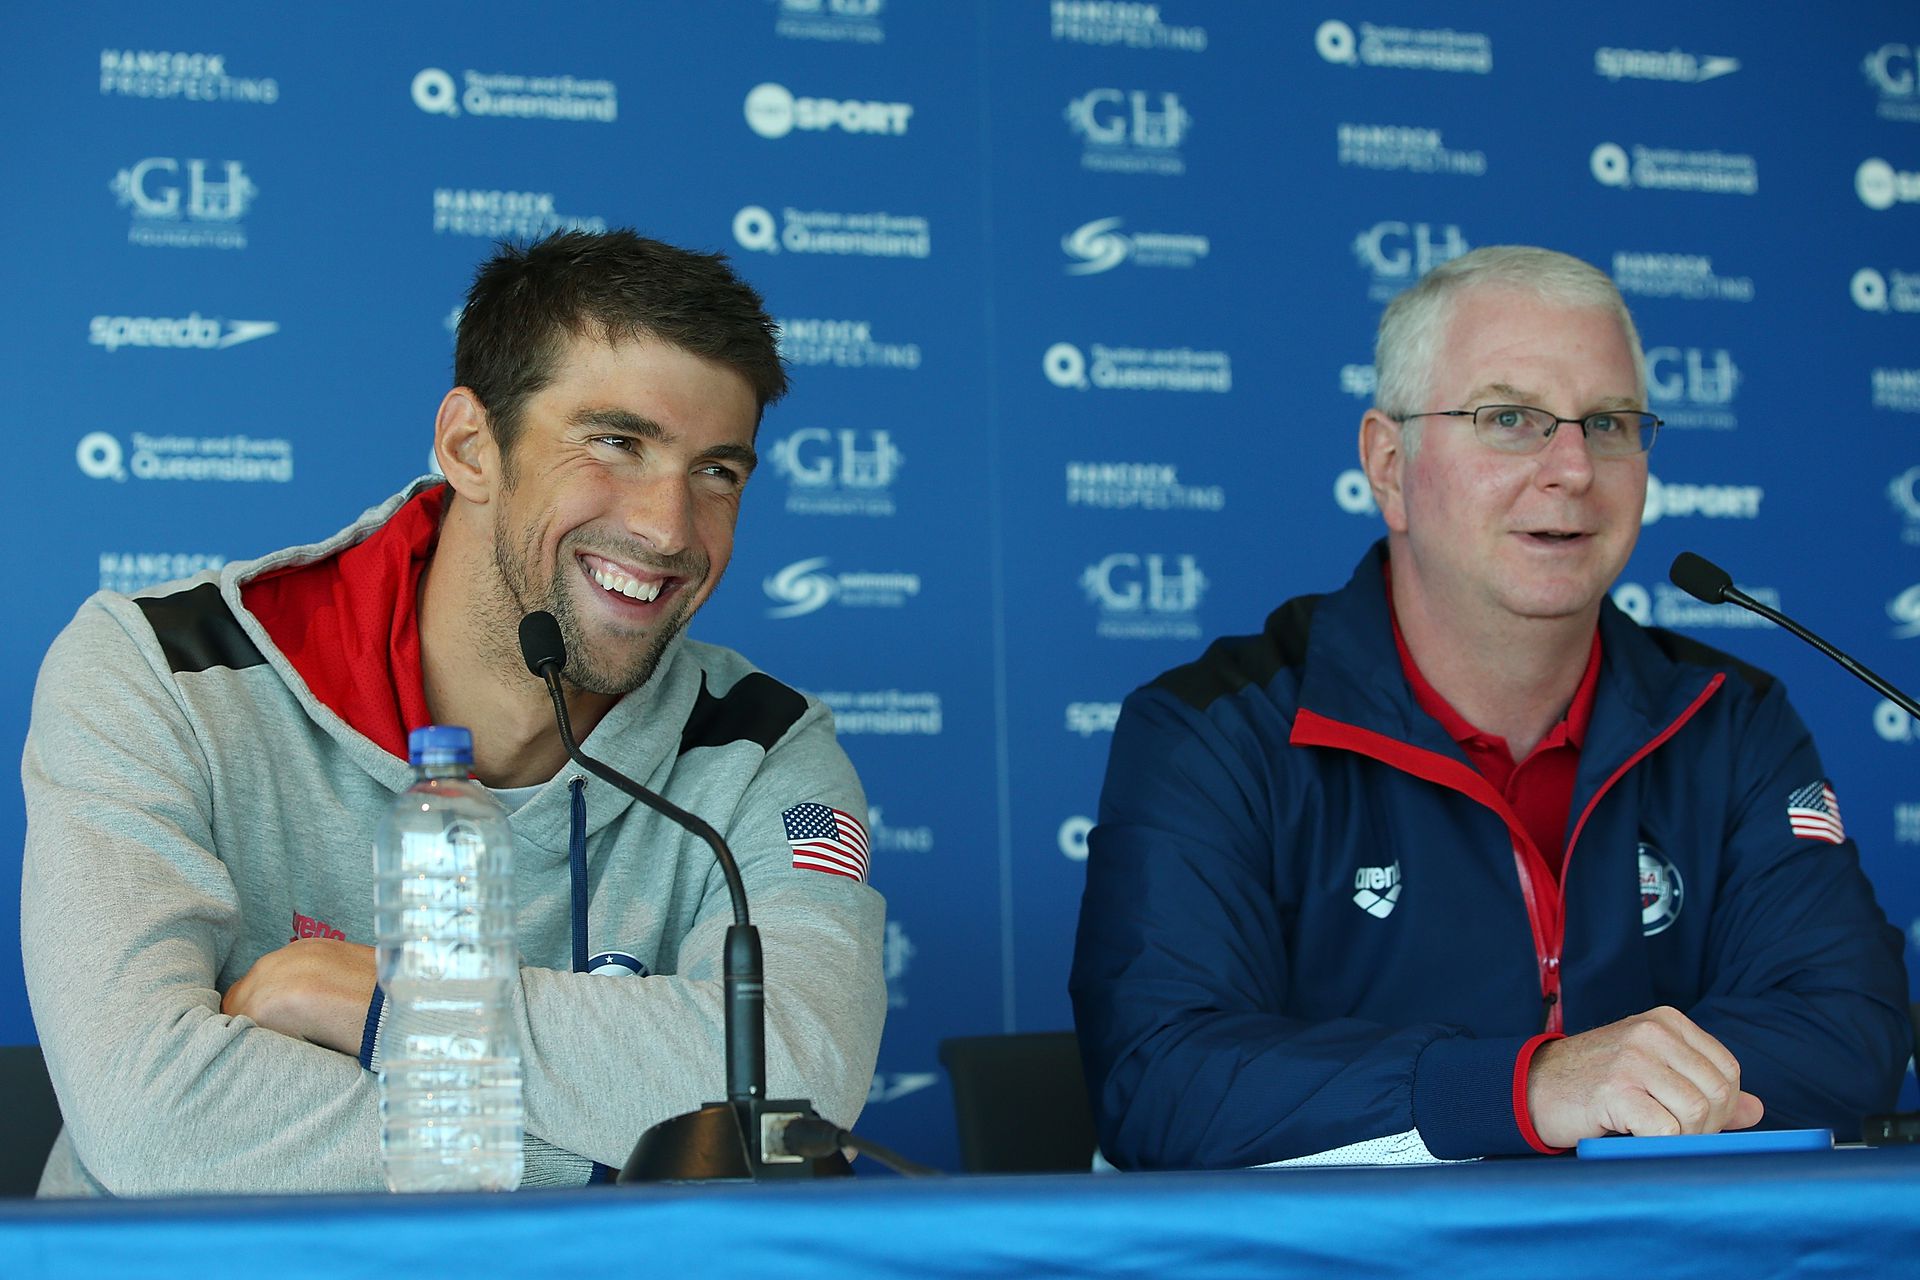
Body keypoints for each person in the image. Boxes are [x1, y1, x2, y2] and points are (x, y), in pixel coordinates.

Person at [21, 230, 886, 1195]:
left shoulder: (765, 744)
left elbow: (798, 1084)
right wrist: (611, 1164)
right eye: (615, 443)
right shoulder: (162, 670)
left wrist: (400, 1011)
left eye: (717, 472)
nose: (667, 527)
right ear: (469, 446)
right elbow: (154, 1120)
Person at [1070, 245, 1911, 1168]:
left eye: (1610, 422)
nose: (1573, 468)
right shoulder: (1214, 729)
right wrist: (1528, 1088)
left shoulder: (1729, 719)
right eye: (1510, 418)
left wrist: (1612, 1093)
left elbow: (1847, 1031)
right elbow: (1160, 1079)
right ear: (1389, 464)